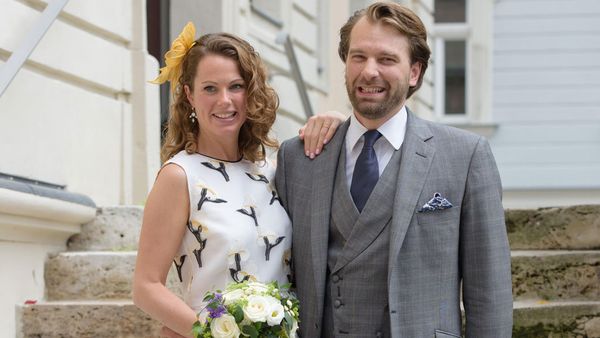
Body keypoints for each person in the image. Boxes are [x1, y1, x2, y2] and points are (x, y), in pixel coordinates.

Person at [275, 2, 513, 337]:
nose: (369, 71)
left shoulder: (465, 155)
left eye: (386, 59)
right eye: (358, 57)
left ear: (414, 72)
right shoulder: (298, 158)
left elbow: (489, 290)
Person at [133, 23, 342, 338]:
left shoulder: (271, 170)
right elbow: (146, 287)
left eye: (236, 86)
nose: (225, 101)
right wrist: (213, 333)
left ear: (251, 92)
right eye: (210, 88)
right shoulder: (180, 176)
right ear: (189, 95)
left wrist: (337, 123)